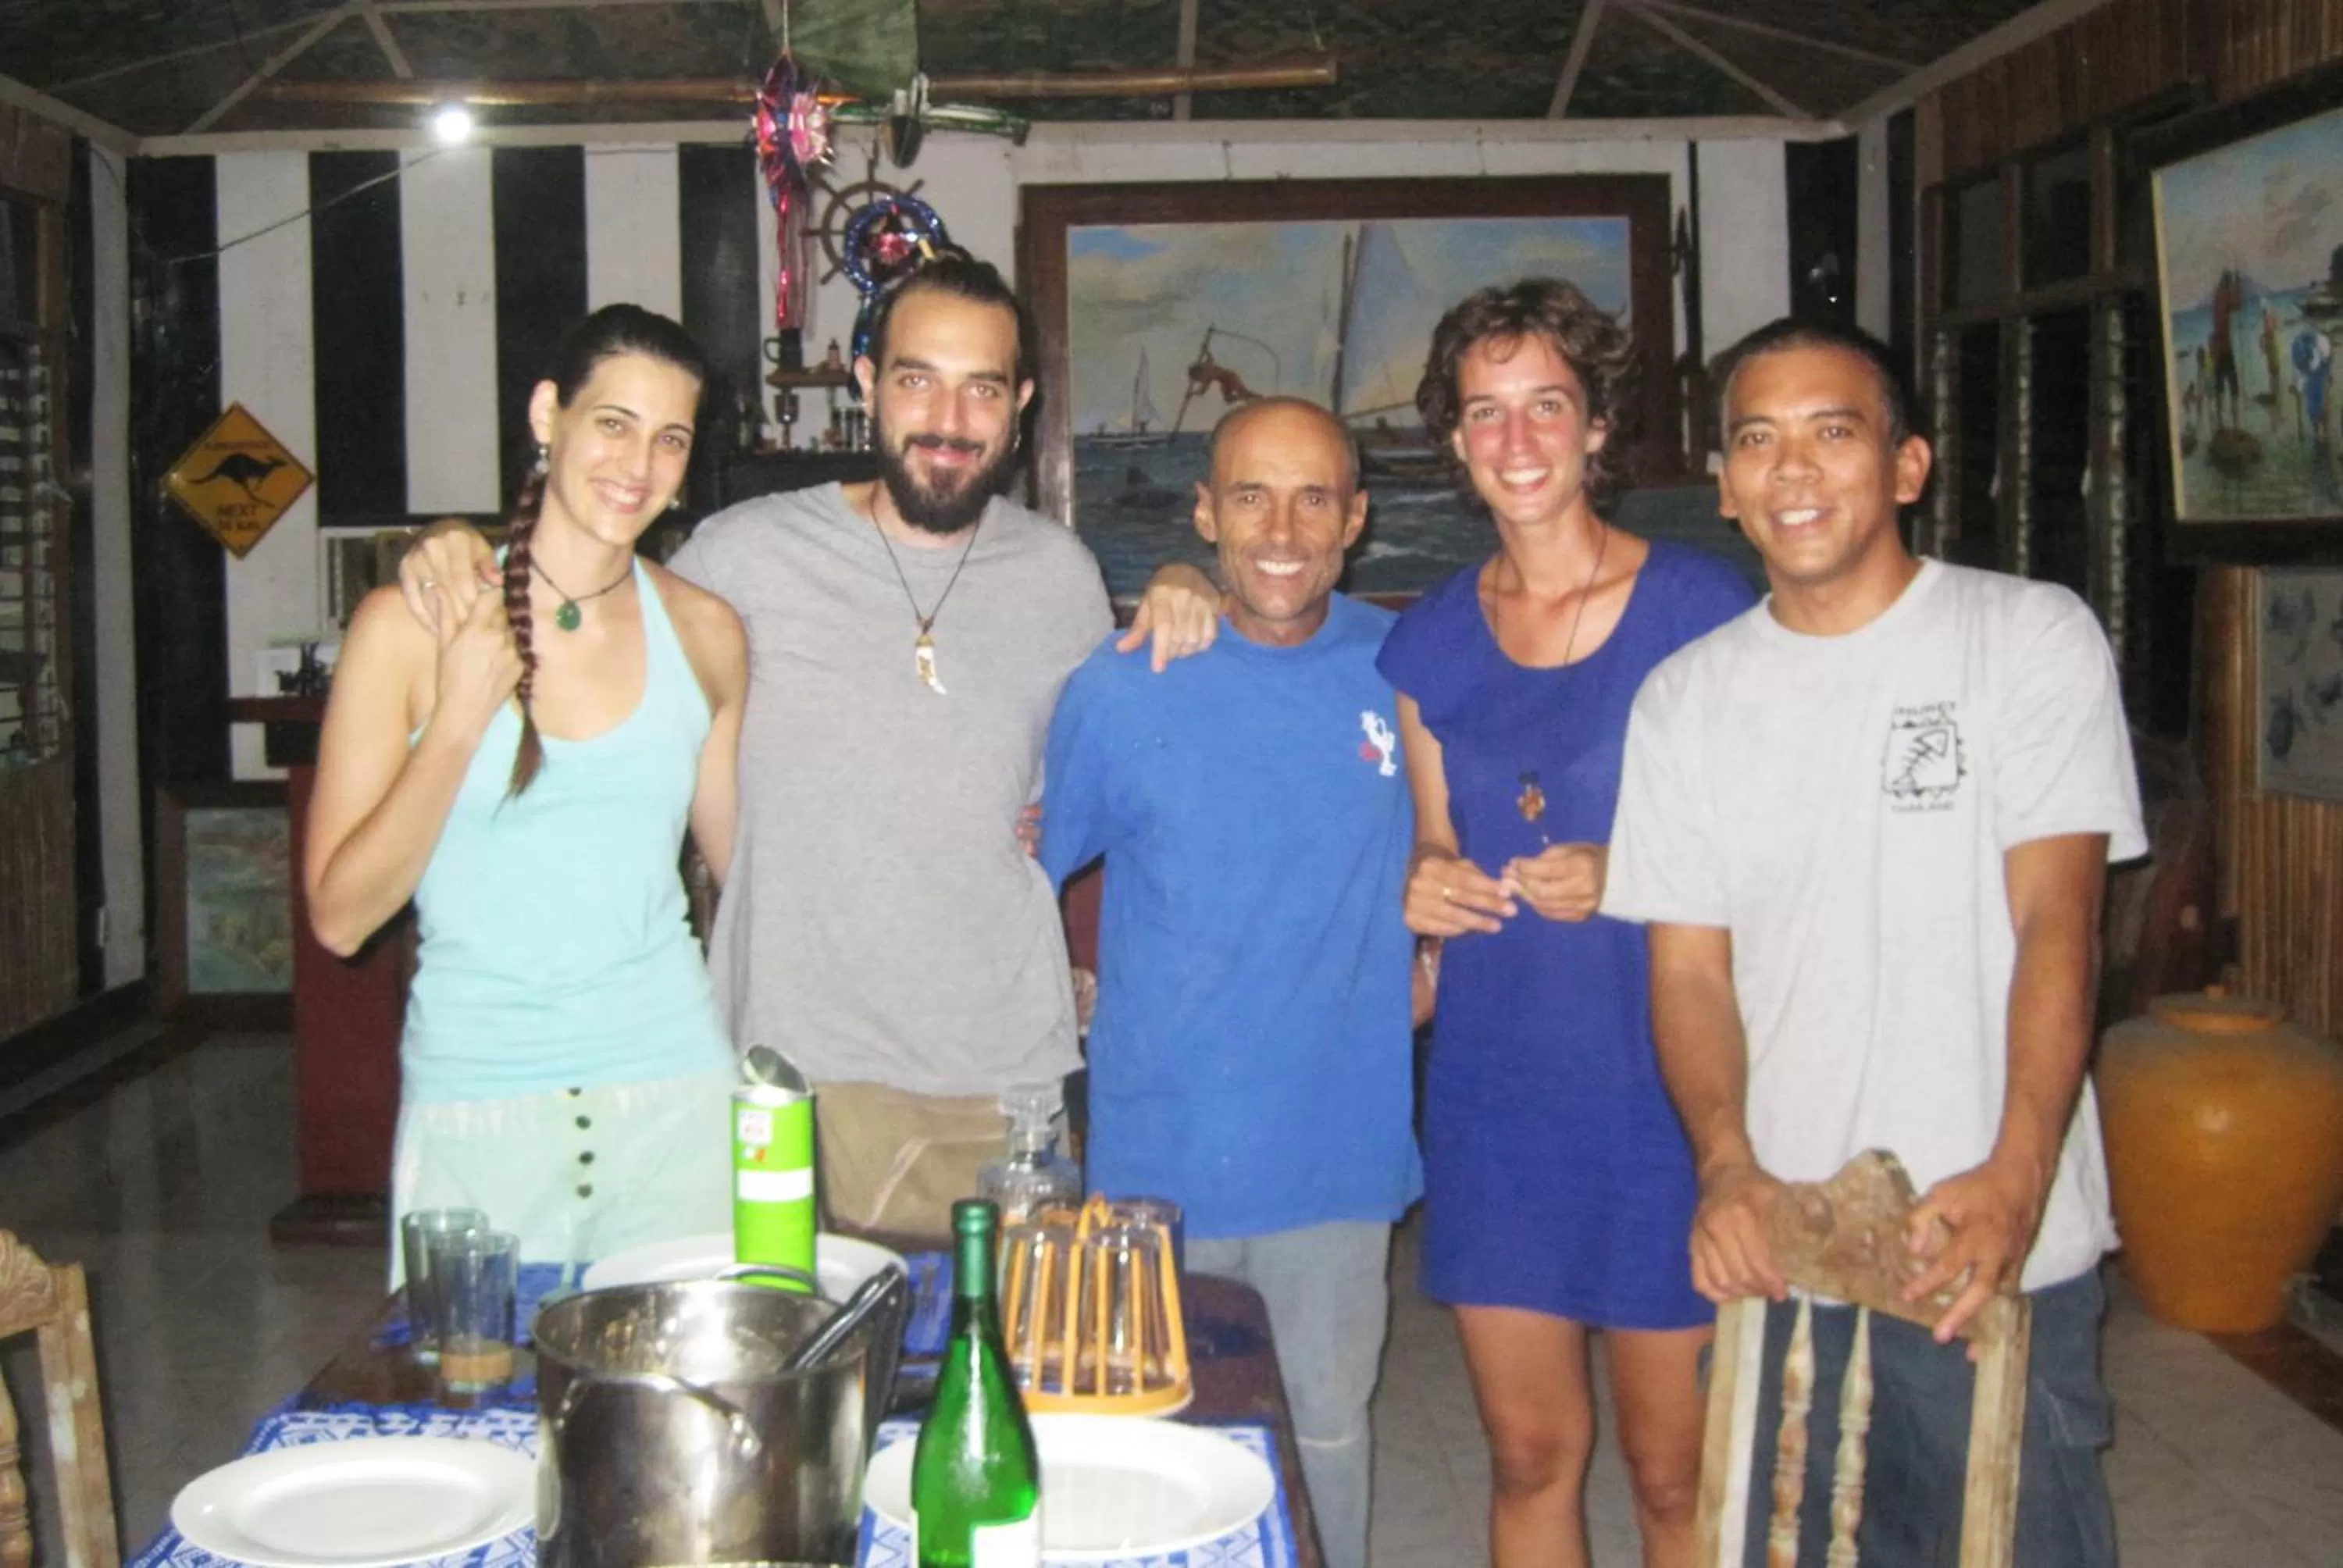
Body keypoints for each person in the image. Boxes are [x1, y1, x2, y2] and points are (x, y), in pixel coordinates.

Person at [399, 253, 1214, 1242]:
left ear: (1021, 404)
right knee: (781, 1378)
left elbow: (1117, 788)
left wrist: (1189, 575)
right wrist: (455, 542)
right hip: (768, 1067)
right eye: (917, 379)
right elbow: (587, 581)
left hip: (985, 1078)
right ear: (868, 385)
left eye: (982, 388)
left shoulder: (1063, 578)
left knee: (972, 1374)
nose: (949, 419)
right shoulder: (739, 557)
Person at [1603, 316, 2144, 1566]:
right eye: (1758, 441)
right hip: (1787, 1243)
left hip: (1981, 1236)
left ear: (1907, 466)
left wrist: (2018, 1170)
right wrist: (1726, 1166)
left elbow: (2059, 922)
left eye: (1832, 432)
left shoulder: (2026, 638)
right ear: (1727, 490)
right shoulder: (1685, 701)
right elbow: (1688, 971)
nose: (1793, 470)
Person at [1375, 280, 1756, 1568]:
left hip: (1671, 1097)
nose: (1518, 439)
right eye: (1486, 413)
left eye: (1548, 405)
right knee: (1531, 1456)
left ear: (1598, 427)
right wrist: (1421, 894)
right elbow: (1432, 846)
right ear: (1455, 441)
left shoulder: (1705, 609)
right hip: (1500, 1099)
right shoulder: (1426, 639)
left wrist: (1635, 863)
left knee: (1673, 1474)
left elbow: (1785, 853)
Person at [1039, 398, 1422, 1568]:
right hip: (1157, 1171)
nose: (1283, 527)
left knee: (1323, 1449)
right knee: (1162, 1463)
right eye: (1250, 493)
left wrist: (1441, 957)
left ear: (1357, 518)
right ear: (1204, 512)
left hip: (1338, 1160)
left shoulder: (1405, 671)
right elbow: (1019, 886)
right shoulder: (1122, 684)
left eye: (1316, 496)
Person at [307, 304, 748, 1278]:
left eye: (670, 437)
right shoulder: (410, 625)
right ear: (548, 414)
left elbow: (753, 880)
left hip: (678, 1096)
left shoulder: (709, 633)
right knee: (476, 1426)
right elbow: (341, 918)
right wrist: (462, 716)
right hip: (479, 1108)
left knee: (692, 1420)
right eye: (613, 422)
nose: (639, 463)